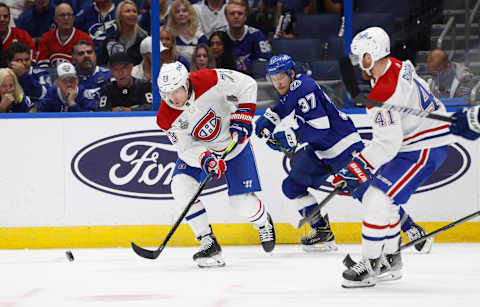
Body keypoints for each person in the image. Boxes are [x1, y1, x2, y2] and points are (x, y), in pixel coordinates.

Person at [333, 27, 453, 288]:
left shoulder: (383, 93)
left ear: (371, 55)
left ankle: (371, 264)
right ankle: (390, 259)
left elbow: (387, 144)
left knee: (377, 199)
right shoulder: (394, 65)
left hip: (423, 145)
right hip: (417, 139)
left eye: (360, 57)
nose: (357, 63)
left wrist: (355, 169)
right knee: (385, 200)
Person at [156, 61, 276, 267]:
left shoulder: (207, 79)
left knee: (241, 204)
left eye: (176, 91)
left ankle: (262, 221)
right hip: (203, 151)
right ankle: (208, 242)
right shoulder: (165, 117)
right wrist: (205, 158)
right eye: (166, 93)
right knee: (180, 185)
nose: (172, 98)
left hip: (234, 144)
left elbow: (246, 84)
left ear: (186, 83)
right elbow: (185, 148)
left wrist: (244, 114)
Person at [255, 54, 363, 251]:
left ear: (292, 73)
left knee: (369, 193)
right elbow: (285, 105)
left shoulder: (302, 87)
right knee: (292, 186)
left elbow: (321, 127)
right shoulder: (292, 88)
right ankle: (322, 232)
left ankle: (411, 228)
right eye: (274, 78)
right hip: (321, 149)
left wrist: (291, 137)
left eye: (281, 77)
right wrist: (271, 118)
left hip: (343, 146)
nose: (277, 83)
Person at [220, 0, 271, 73]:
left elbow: (265, 62)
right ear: (226, 17)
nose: (236, 16)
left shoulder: (257, 35)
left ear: (245, 16)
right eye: (232, 13)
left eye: (240, 13)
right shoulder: (220, 35)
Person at [37, 3, 94, 67]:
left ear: (73, 18)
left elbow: (88, 66)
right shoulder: (46, 38)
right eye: (62, 15)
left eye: (69, 15)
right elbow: (43, 67)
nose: (66, 18)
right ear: (55, 19)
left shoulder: (84, 38)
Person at [97, 0, 148, 66]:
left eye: (135, 11)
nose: (132, 14)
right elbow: (101, 64)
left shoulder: (145, 39)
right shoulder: (110, 39)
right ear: (120, 16)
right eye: (128, 11)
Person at [6, 42, 51, 108]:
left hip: (37, 114)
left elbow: (46, 95)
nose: (24, 63)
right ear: (9, 63)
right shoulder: (4, 75)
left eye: (27, 59)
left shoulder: (41, 73)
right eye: (19, 60)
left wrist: (23, 75)